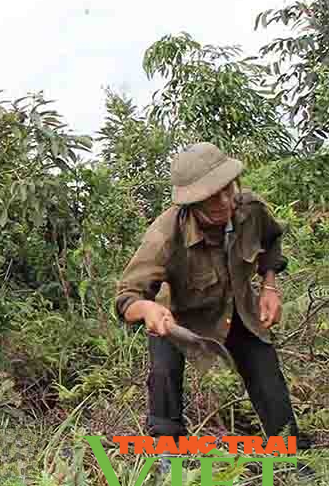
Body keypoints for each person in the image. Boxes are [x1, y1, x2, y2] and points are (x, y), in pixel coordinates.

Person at [115, 142, 311, 455]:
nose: (224, 201)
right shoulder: (166, 234)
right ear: (192, 203)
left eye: (226, 189)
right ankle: (169, 459)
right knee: (164, 376)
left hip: (237, 310)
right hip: (176, 318)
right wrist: (148, 308)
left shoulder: (251, 210)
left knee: (269, 381)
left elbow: (271, 241)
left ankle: (292, 456)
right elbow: (127, 296)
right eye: (211, 197)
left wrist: (270, 286)